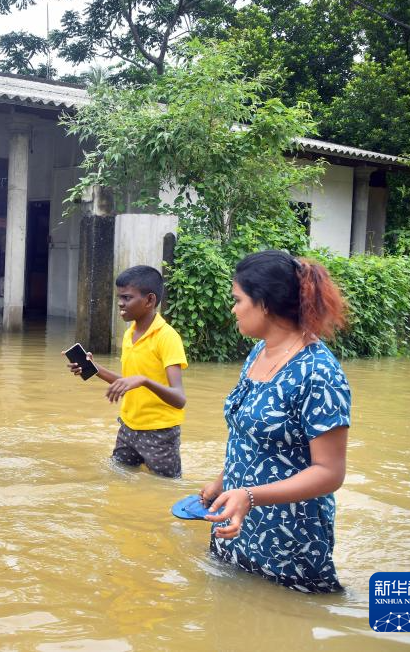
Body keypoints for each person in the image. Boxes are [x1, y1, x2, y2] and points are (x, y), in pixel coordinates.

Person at [200, 250, 351, 593]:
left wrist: (249, 496)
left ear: (264, 304)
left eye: (238, 300)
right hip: (237, 526)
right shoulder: (259, 352)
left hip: (289, 541)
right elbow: (250, 436)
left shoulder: (318, 373)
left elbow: (330, 472)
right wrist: (222, 482)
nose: (233, 309)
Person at [68, 265, 188, 478]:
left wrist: (144, 381)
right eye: (119, 298)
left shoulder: (167, 338)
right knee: (118, 478)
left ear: (149, 300)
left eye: (127, 297)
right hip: (128, 426)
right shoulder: (129, 334)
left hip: (160, 432)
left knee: (165, 487)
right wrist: (95, 369)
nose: (120, 304)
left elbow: (179, 398)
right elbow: (128, 381)